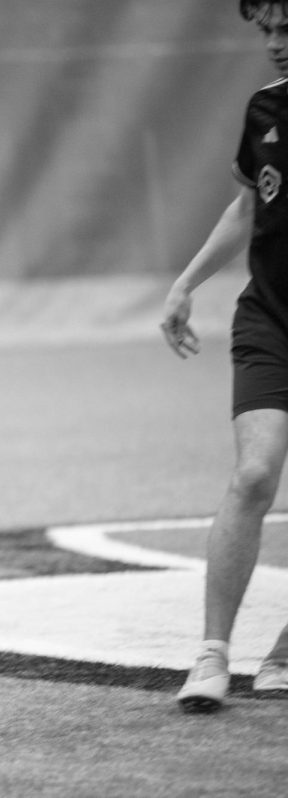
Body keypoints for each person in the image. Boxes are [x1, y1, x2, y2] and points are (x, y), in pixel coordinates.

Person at [162, 0, 288, 712]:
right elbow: (247, 207)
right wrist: (184, 284)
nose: (274, 45)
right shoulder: (265, 109)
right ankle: (212, 654)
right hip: (271, 318)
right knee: (253, 473)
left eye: (287, 29)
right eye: (267, 30)